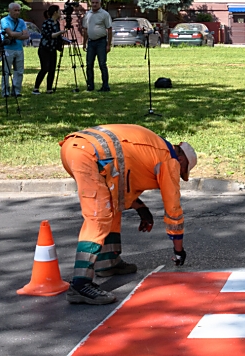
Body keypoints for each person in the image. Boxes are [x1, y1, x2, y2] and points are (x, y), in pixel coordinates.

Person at [59, 124, 197, 305]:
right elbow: (173, 209)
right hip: (88, 154)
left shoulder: (152, 148)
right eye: (182, 170)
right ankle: (80, 285)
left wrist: (140, 207)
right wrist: (179, 250)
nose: (178, 175)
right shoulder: (169, 161)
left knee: (110, 204)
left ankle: (107, 262)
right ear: (181, 159)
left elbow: (121, 189)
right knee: (98, 217)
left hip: (75, 148)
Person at [34, 5, 68, 94]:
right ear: (55, 12)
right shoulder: (46, 23)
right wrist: (60, 32)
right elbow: (50, 35)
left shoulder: (57, 23)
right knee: (45, 68)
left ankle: (49, 88)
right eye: (59, 11)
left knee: (52, 69)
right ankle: (36, 88)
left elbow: (57, 37)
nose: (60, 12)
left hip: (53, 49)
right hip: (44, 49)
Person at [82, 0, 112, 92]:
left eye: (96, 3)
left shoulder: (105, 14)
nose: (94, 4)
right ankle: (90, 85)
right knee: (89, 64)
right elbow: (85, 29)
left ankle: (105, 86)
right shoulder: (88, 14)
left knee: (102, 64)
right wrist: (84, 43)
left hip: (101, 42)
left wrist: (108, 44)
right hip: (91, 42)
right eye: (93, 3)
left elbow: (109, 29)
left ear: (100, 3)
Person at [0, 2, 29, 97]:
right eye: (15, 10)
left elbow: (27, 35)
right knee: (6, 71)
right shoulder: (4, 20)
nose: (17, 12)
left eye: (18, 10)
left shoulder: (21, 21)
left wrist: (14, 35)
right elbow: (10, 33)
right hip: (8, 49)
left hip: (19, 49)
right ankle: (5, 92)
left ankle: (16, 91)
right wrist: (20, 33)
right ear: (9, 10)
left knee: (19, 71)